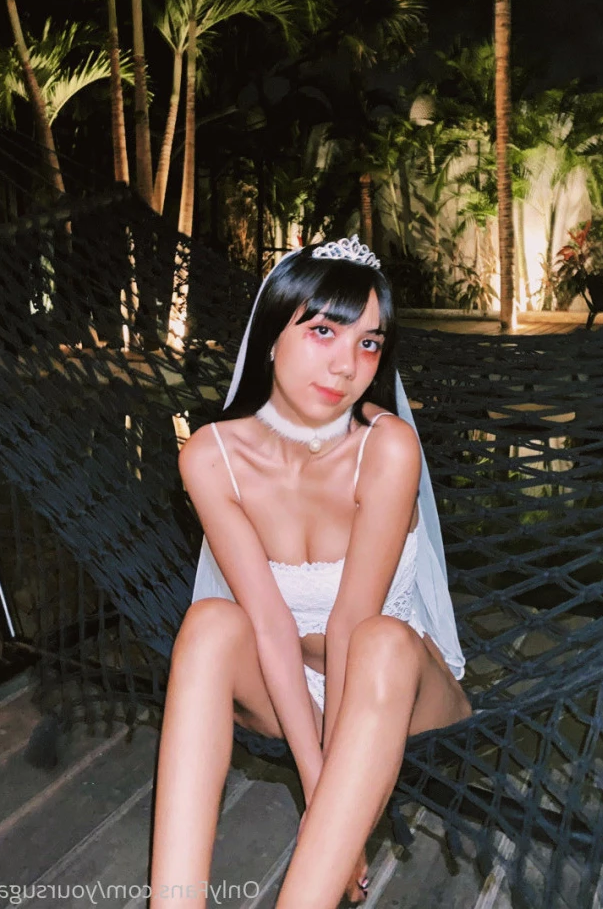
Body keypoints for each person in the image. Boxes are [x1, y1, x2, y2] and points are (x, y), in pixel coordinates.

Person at [150, 235, 471, 908]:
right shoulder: (211, 457)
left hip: (398, 690)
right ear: (272, 337)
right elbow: (268, 625)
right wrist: (321, 784)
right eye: (324, 331)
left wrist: (331, 810)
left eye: (368, 343)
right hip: (290, 691)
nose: (347, 364)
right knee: (209, 625)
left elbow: (351, 623)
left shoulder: (386, 448)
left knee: (380, 639)